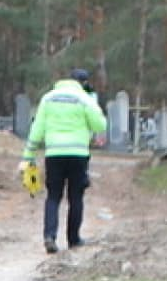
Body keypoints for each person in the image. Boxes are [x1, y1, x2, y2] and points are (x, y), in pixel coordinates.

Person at [23, 68, 108, 253]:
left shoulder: (48, 98)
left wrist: (28, 154)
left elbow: (37, 127)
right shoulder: (84, 98)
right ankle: (74, 239)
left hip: (54, 154)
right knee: (76, 197)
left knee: (53, 196)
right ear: (82, 83)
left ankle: (49, 236)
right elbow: (100, 124)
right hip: (78, 154)